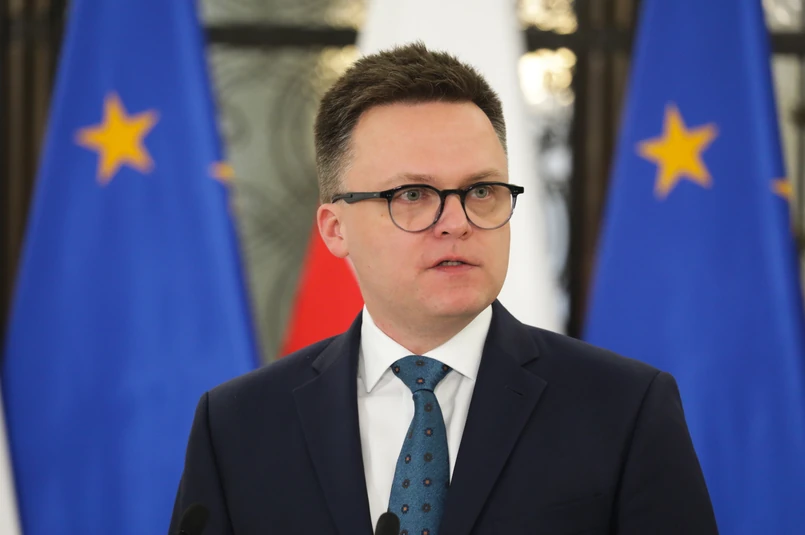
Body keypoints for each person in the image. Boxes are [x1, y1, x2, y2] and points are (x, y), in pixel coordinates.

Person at [169, 42, 718, 535]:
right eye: (412, 194)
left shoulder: (624, 409)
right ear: (335, 229)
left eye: (481, 190)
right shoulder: (238, 425)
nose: (456, 222)